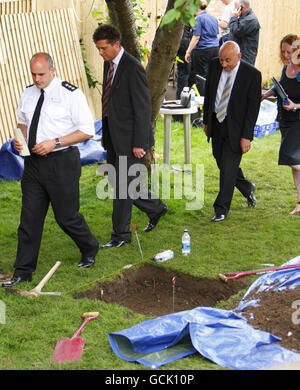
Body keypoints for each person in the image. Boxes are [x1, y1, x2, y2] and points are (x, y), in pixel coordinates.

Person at [2, 53, 99, 288]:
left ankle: (89, 247)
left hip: (62, 162)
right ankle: (23, 271)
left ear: (53, 70)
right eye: (34, 74)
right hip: (34, 164)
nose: (37, 79)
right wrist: (21, 137)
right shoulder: (28, 92)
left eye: (41, 74)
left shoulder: (70, 94)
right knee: (29, 220)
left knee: (66, 217)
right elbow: (23, 121)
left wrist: (54, 143)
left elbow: (87, 131)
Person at [92, 24, 168, 249]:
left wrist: (140, 143)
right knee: (120, 183)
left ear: (117, 44)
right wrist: (106, 135)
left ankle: (121, 236)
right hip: (114, 138)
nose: (101, 53)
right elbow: (110, 104)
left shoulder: (133, 68)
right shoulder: (109, 65)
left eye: (104, 48)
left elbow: (143, 108)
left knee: (123, 191)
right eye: (98, 49)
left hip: (132, 141)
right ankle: (156, 208)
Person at [203, 41, 261, 222]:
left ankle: (221, 209)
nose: (224, 64)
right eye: (221, 60)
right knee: (222, 162)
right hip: (217, 122)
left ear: (239, 57)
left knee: (228, 169)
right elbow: (209, 94)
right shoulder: (214, 66)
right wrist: (206, 121)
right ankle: (247, 187)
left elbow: (253, 109)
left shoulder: (252, 75)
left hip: (237, 127)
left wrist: (246, 136)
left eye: (228, 60)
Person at [262, 34, 300, 215]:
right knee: (295, 164)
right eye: (283, 51)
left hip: (298, 120)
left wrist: (295, 106)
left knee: (291, 157)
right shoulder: (286, 69)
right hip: (285, 120)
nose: (285, 55)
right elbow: (280, 89)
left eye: (289, 51)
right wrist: (265, 94)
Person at [185, 0, 219, 96]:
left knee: (201, 77)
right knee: (212, 76)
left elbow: (196, 37)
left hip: (203, 50)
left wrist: (188, 51)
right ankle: (211, 99)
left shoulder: (198, 19)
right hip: (215, 49)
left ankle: (202, 102)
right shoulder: (213, 18)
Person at [228, 0, 260, 66]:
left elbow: (236, 30)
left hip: (245, 57)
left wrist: (234, 17)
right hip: (240, 55)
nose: (234, 10)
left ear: (241, 7)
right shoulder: (244, 18)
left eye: (236, 8)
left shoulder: (250, 20)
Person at [176, 25, 192, 100]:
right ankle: (183, 98)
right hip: (184, 42)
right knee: (185, 72)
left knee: (182, 72)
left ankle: (180, 97)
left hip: (178, 42)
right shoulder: (188, 15)